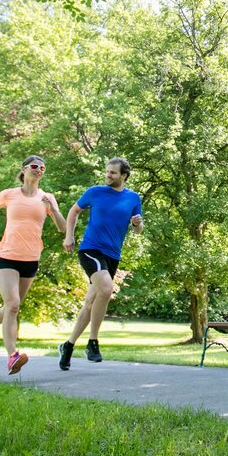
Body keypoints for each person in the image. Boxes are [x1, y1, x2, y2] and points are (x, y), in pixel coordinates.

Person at [0, 155, 66, 374]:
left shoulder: (48, 197)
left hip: (31, 258)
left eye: (42, 168)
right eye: (34, 166)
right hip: (7, 255)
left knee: (11, 306)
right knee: (13, 304)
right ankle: (12, 356)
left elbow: (63, 228)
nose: (38, 170)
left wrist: (53, 209)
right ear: (24, 169)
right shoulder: (8, 194)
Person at [59, 156, 143, 369]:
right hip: (90, 249)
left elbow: (138, 228)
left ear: (123, 175)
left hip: (112, 255)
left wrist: (137, 224)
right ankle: (93, 342)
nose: (108, 175)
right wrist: (69, 235)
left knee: (91, 301)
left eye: (113, 172)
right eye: (107, 171)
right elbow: (73, 211)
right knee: (106, 289)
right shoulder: (94, 192)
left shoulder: (133, 198)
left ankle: (68, 346)